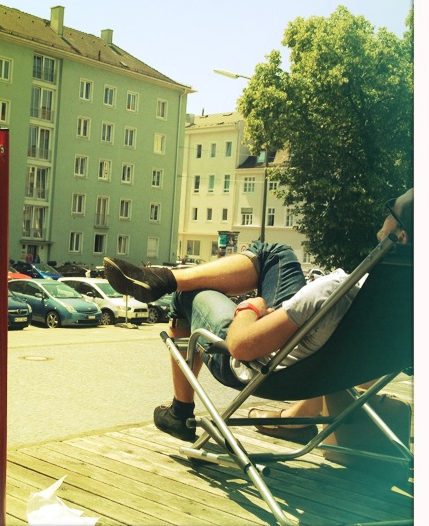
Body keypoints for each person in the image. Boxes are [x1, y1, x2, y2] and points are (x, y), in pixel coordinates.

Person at [103, 189, 413, 442]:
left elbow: (241, 347)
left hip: (258, 367)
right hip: (313, 364)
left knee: (185, 295)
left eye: (391, 210)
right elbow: (347, 359)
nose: (383, 216)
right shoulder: (404, 302)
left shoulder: (336, 289)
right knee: (276, 253)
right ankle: (162, 278)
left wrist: (251, 307)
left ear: (400, 236)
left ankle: (180, 412)